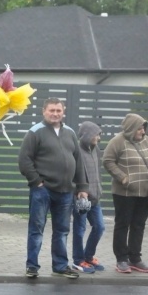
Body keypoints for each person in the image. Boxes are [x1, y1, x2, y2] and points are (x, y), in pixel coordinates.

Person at [18, 97, 88, 280]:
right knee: (36, 229)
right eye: (52, 110)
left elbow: (79, 162)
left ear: (63, 112)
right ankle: (32, 266)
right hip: (43, 190)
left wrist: (82, 187)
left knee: (62, 230)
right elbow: (24, 161)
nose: (55, 114)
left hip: (66, 191)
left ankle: (60, 266)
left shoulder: (71, 133)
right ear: (44, 111)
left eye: (58, 110)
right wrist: (37, 182)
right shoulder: (35, 132)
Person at [102, 113, 148, 274]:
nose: (143, 132)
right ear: (131, 128)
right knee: (122, 224)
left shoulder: (146, 141)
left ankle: (135, 258)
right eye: (140, 128)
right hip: (124, 193)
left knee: (139, 225)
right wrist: (123, 178)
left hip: (144, 191)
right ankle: (121, 259)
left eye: (143, 128)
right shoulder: (117, 141)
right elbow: (107, 161)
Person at [71, 121, 106, 273]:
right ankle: (78, 260)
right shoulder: (76, 150)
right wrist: (77, 190)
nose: (98, 138)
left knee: (99, 227)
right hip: (81, 198)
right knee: (80, 229)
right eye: (96, 134)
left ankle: (88, 256)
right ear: (87, 135)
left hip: (95, 198)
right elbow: (71, 173)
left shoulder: (95, 150)